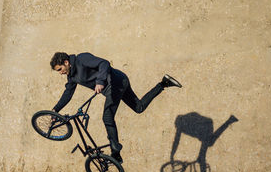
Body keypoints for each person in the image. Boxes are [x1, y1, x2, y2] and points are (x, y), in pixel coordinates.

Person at [50, 52, 182, 163]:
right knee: (139, 107)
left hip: (116, 82)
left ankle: (116, 151)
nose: (60, 73)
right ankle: (164, 83)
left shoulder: (82, 59)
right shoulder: (72, 76)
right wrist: (55, 110)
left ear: (66, 62)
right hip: (117, 85)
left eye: (59, 69)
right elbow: (68, 93)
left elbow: (104, 63)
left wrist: (100, 81)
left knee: (107, 116)